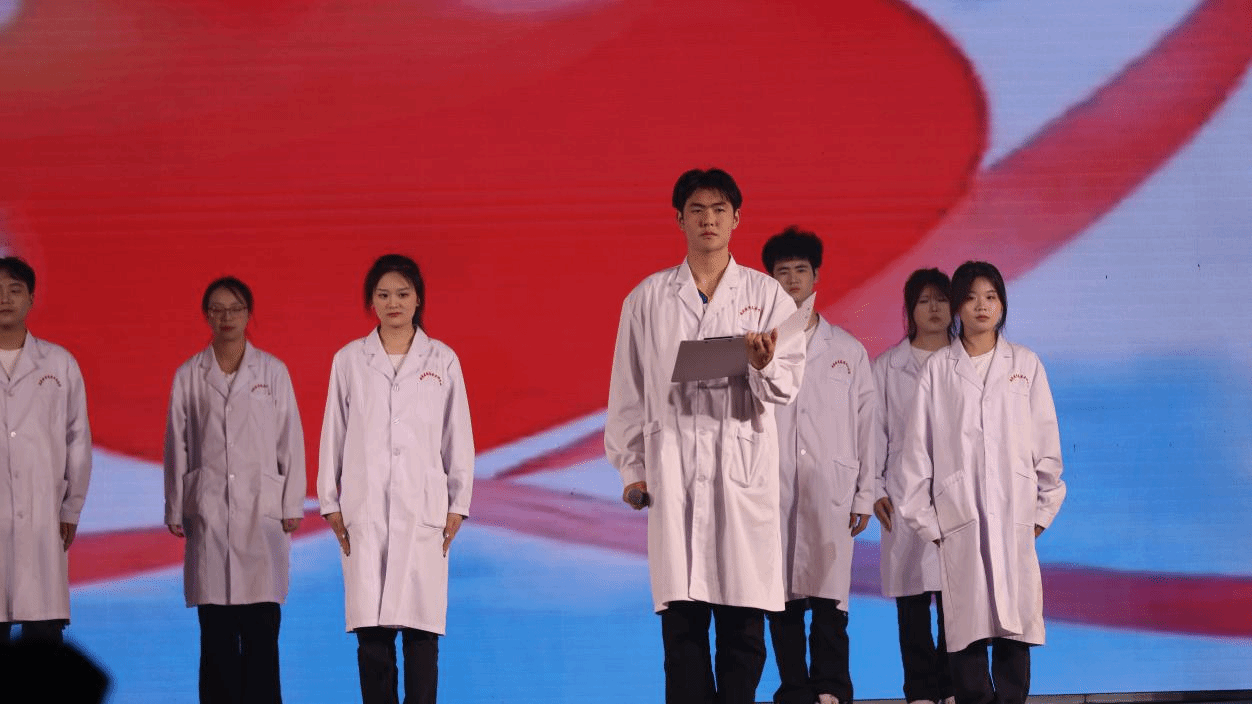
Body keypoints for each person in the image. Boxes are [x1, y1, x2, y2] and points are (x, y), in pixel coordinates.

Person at [605, 168, 805, 704]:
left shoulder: (766, 294)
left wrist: (763, 364)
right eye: (697, 210)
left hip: (741, 476)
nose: (708, 219)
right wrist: (632, 469)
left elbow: (787, 384)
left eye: (719, 209)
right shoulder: (647, 298)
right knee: (683, 632)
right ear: (679, 219)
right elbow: (627, 391)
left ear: (737, 218)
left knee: (744, 631)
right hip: (673, 473)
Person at [896, 261, 1066, 704]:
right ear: (957, 307)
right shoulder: (938, 370)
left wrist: (1041, 514)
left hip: (1014, 516)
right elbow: (916, 456)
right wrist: (933, 527)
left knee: (1014, 629)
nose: (981, 306)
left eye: (991, 297)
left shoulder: (1025, 364)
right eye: (970, 298)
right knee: (966, 633)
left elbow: (1046, 446)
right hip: (960, 522)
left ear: (1002, 304)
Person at [318, 254, 474, 704]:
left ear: (418, 298)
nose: (393, 303)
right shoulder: (350, 360)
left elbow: (457, 436)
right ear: (371, 300)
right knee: (372, 638)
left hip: (423, 510)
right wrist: (329, 501)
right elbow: (333, 432)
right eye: (383, 294)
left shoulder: (442, 360)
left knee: (422, 634)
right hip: (365, 509)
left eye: (403, 294)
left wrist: (458, 503)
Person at [163, 276, 307, 704]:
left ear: (249, 314)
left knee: (262, 637)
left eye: (235, 308)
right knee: (216, 640)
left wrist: (292, 502)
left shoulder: (272, 371)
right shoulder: (189, 374)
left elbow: (290, 440)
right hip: (209, 512)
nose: (226, 317)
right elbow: (177, 443)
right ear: (206, 315)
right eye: (218, 309)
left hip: (263, 514)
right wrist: (175, 505)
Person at [761, 227, 880, 704]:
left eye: (800, 270)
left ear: (816, 277)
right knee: (781, 597)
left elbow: (868, 428)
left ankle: (832, 687)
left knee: (830, 598)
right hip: (774, 489)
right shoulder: (759, 350)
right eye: (782, 272)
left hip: (831, 490)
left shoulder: (847, 351)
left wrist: (865, 494)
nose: (792, 280)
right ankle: (794, 688)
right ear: (769, 280)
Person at [872, 268, 955, 704]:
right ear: (910, 310)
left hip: (956, 494)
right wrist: (873, 488)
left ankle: (953, 687)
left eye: (941, 299)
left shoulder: (965, 361)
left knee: (956, 598)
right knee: (912, 600)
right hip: (903, 494)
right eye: (924, 300)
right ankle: (920, 691)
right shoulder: (887, 366)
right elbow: (874, 432)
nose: (934, 308)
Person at [0, 256, 92, 646]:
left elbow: (78, 440)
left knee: (43, 644)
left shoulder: (59, 363)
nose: (4, 299)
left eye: (14, 290)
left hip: (44, 518)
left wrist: (71, 508)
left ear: (31, 299)